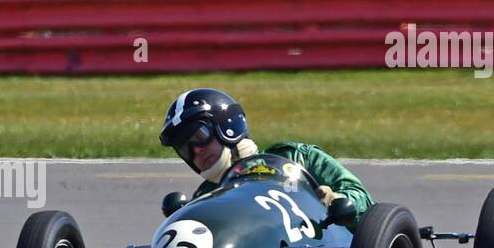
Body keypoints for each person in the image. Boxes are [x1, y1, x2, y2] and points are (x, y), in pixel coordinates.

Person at [158, 87, 372, 221]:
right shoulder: (203, 199)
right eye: (185, 147)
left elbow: (364, 201)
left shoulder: (298, 157)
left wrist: (333, 199)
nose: (196, 150)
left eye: (199, 136)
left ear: (226, 126)